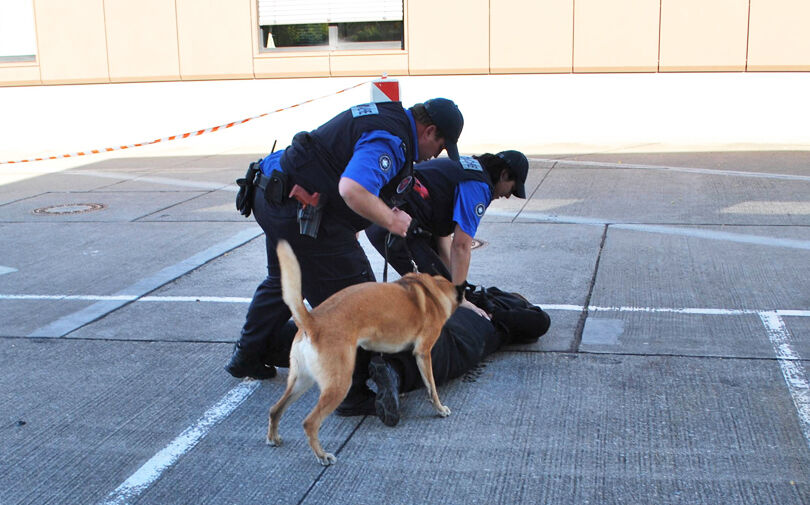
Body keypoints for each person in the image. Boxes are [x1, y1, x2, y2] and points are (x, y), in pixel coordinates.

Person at [225, 98, 464, 416]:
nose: (436, 155)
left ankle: (248, 354)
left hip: (271, 193)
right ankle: (350, 394)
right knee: (357, 301)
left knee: (282, 280)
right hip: (299, 210)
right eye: (441, 146)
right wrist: (391, 220)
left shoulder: (387, 115)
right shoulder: (393, 140)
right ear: (429, 130)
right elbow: (352, 187)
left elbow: (342, 167)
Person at [362, 150, 550, 426]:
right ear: (504, 174)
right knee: (443, 326)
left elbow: (442, 238)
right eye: (511, 188)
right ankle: (392, 367)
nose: (508, 195)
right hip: (399, 228)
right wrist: (459, 297)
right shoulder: (479, 185)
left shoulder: (461, 169)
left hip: (391, 221)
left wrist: (456, 290)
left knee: (432, 303)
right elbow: (461, 245)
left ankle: (381, 355)